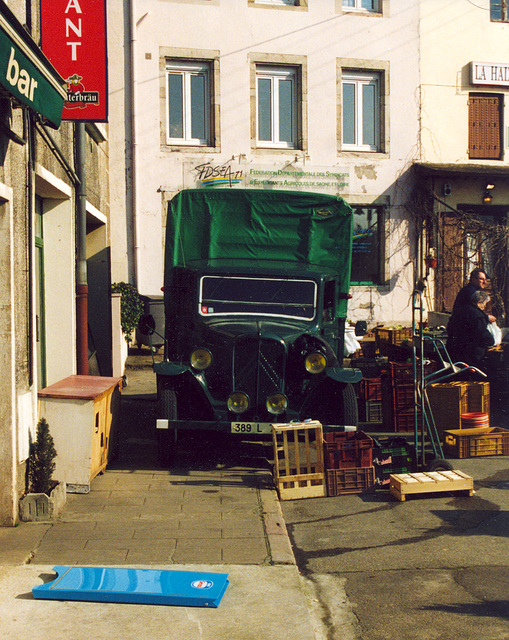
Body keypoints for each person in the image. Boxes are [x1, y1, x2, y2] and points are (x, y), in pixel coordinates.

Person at [446, 290, 495, 373]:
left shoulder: (459, 311)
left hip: (453, 352)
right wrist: (492, 341)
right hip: (471, 356)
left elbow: (449, 329)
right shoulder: (478, 316)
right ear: (479, 303)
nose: (485, 307)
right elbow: (483, 334)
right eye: (485, 304)